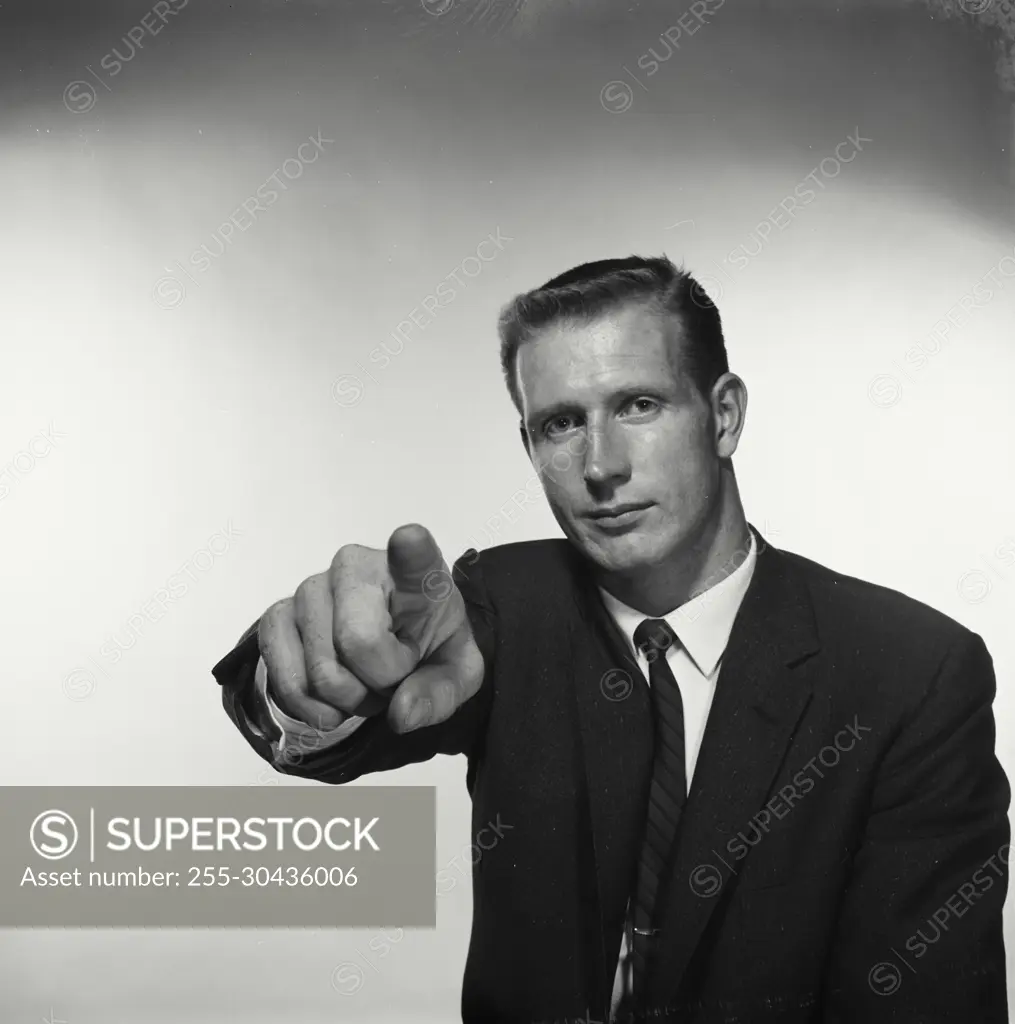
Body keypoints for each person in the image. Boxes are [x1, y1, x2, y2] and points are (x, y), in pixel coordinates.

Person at [212, 255, 1010, 1023]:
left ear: (723, 415)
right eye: (560, 424)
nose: (601, 465)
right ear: (529, 447)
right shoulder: (499, 608)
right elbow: (351, 711)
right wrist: (319, 684)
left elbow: (922, 1000)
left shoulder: (910, 672)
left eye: (638, 405)